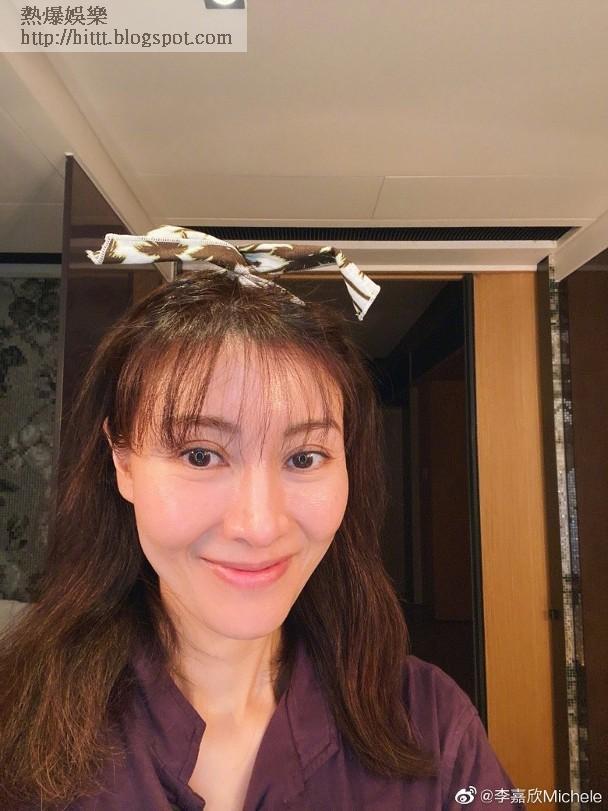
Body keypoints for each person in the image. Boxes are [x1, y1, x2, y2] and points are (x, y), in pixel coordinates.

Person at [0, 231, 522, 810]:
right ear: (122, 462)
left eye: (304, 458)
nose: (259, 526)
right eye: (201, 454)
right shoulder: (15, 725)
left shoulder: (431, 723)